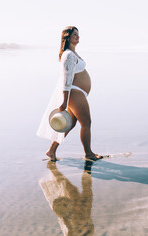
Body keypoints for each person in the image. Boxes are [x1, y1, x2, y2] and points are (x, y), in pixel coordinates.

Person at [37, 26, 103, 161]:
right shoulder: (68, 55)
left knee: (70, 123)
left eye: (78, 34)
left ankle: (51, 151)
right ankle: (88, 153)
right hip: (75, 92)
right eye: (74, 34)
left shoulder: (73, 54)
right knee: (86, 123)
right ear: (67, 37)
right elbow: (66, 80)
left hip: (79, 93)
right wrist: (65, 101)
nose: (77, 36)